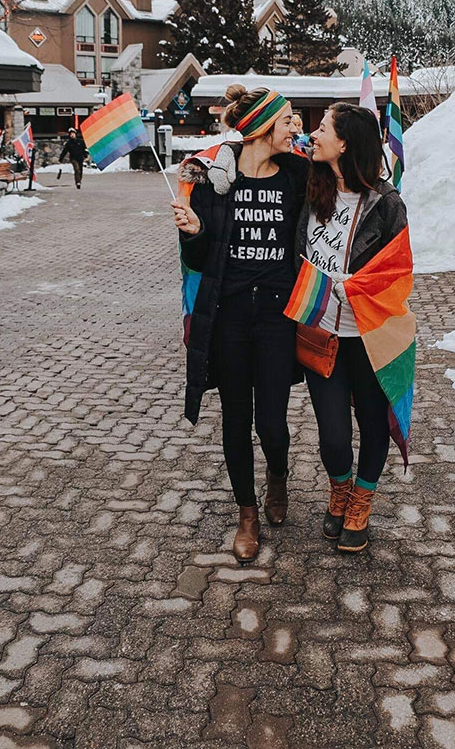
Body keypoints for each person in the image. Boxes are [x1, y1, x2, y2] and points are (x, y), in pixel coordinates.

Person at [171, 86, 308, 564]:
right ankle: (246, 513)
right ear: (264, 126)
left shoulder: (297, 180)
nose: (296, 128)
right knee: (235, 421)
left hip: (276, 316)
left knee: (272, 421)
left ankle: (278, 475)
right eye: (289, 120)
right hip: (229, 315)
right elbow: (201, 258)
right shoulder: (215, 184)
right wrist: (193, 234)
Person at [296, 103, 409, 553]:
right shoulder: (308, 189)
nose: (313, 133)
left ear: (345, 143)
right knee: (333, 434)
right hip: (320, 333)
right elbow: (248, 150)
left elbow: (400, 274)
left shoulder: (387, 205)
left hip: (369, 337)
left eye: (322, 128)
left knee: (371, 424)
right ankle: (339, 488)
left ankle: (360, 503)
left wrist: (358, 288)